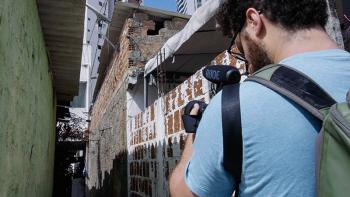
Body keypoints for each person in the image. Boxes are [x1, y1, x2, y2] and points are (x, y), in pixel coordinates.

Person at [169, 0, 350, 196]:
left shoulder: (233, 107)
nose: (246, 59)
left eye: (239, 44)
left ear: (254, 21)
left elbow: (184, 193)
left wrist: (193, 132)